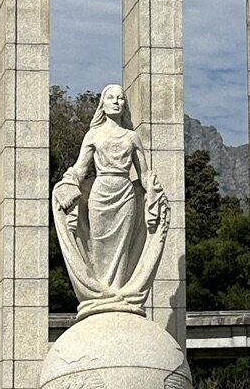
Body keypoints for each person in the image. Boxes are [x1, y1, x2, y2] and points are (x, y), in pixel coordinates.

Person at [51, 84, 170, 315]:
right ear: (102, 105)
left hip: (124, 194)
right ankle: (101, 295)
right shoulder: (93, 135)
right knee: (99, 247)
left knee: (121, 249)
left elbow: (143, 173)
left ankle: (117, 297)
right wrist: (66, 183)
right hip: (100, 193)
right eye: (111, 98)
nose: (116, 102)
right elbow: (80, 169)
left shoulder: (132, 137)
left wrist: (154, 191)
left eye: (120, 98)